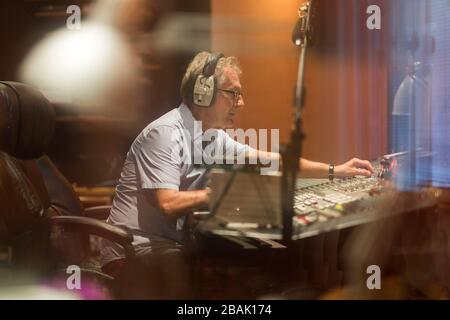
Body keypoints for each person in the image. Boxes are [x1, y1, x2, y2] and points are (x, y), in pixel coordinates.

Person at [100, 51, 374, 297]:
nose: (240, 103)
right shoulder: (164, 134)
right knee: (244, 274)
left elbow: (271, 160)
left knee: (269, 259)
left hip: (174, 248)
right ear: (203, 92)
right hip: (133, 255)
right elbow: (168, 203)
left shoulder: (211, 137)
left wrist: (334, 170)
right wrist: (225, 192)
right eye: (233, 93)